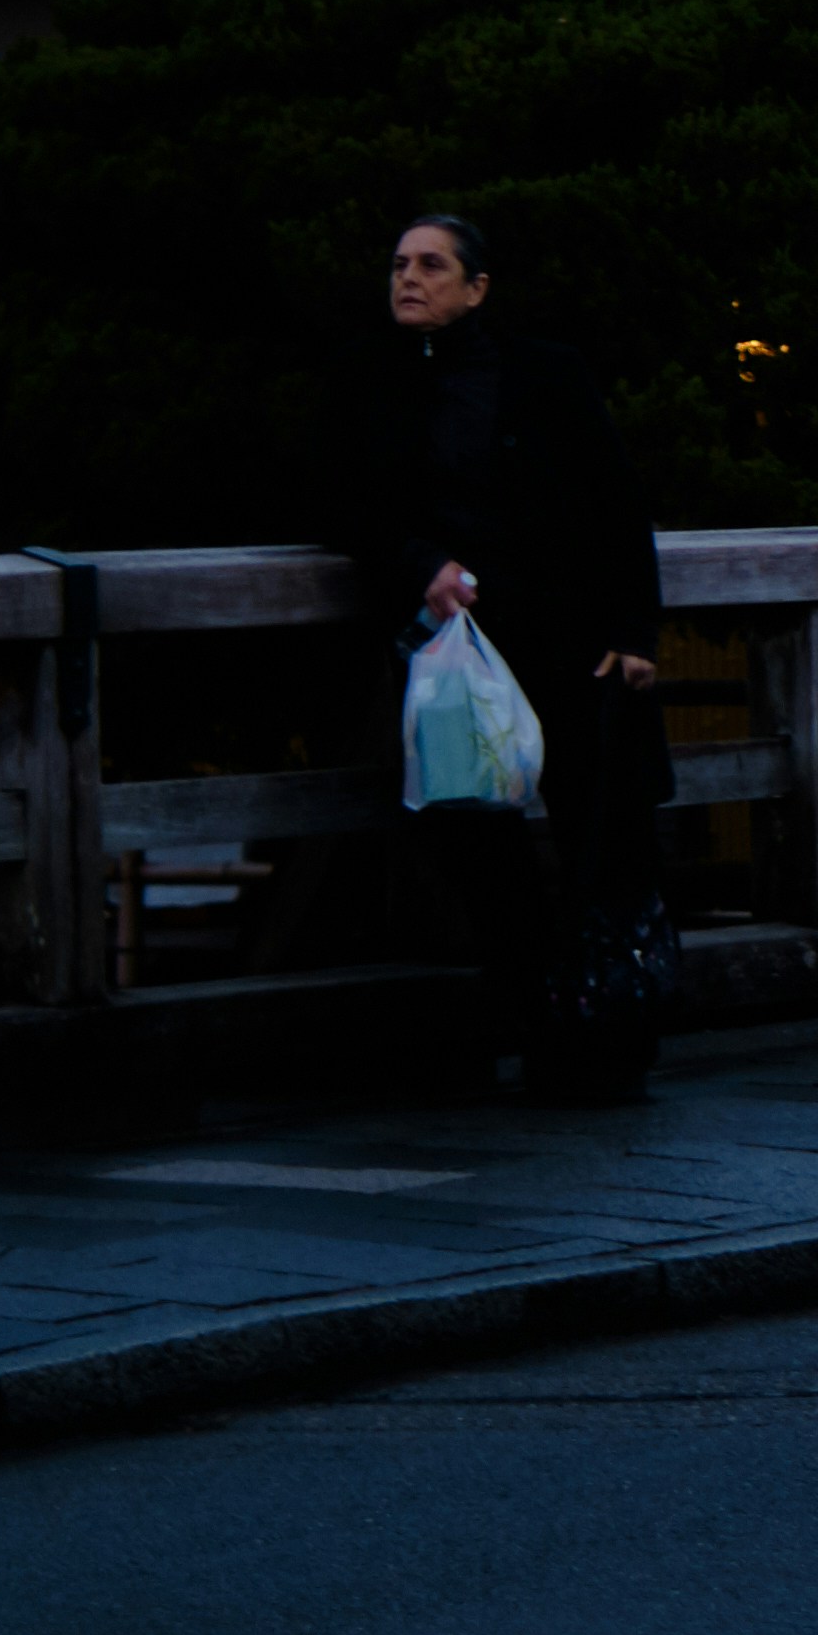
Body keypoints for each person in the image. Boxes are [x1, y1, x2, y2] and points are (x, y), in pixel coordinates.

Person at [352, 210, 675, 1100]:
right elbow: (356, 508)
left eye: (430, 265)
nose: (408, 279)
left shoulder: (543, 373)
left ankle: (612, 1032)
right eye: (398, 264)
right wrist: (425, 570)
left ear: (477, 286)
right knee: (474, 837)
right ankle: (541, 1020)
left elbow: (615, 503)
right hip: (452, 648)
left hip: (567, 640)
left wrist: (633, 634)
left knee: (599, 835)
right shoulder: (375, 383)